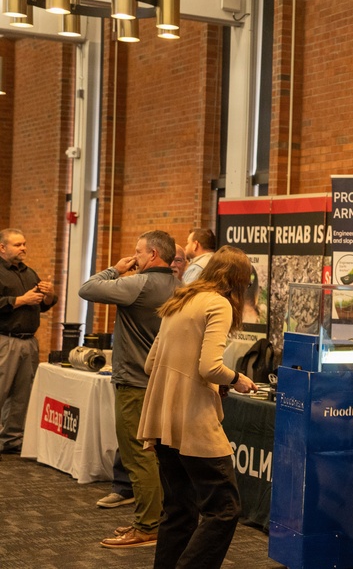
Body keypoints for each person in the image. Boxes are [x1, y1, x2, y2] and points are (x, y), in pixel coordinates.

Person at [138, 246, 258, 569]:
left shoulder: (181, 299)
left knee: (178, 510)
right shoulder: (218, 304)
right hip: (193, 421)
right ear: (238, 280)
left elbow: (151, 364)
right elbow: (209, 367)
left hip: (163, 419)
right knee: (225, 508)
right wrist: (237, 379)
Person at [78, 230, 182, 548]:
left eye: (137, 252)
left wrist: (116, 269)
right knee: (160, 455)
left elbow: (87, 288)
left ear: (152, 254)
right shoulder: (181, 286)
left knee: (138, 455)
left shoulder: (139, 283)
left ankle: (147, 525)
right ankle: (161, 520)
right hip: (163, 382)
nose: (133, 257)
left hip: (135, 383)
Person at [0, 229, 56, 455]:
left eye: (24, 244)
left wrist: (50, 294)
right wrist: (20, 300)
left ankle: (11, 440)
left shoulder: (29, 272)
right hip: (5, 340)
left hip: (28, 342)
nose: (24, 248)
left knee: (22, 394)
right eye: (17, 245)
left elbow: (43, 304)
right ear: (2, 247)